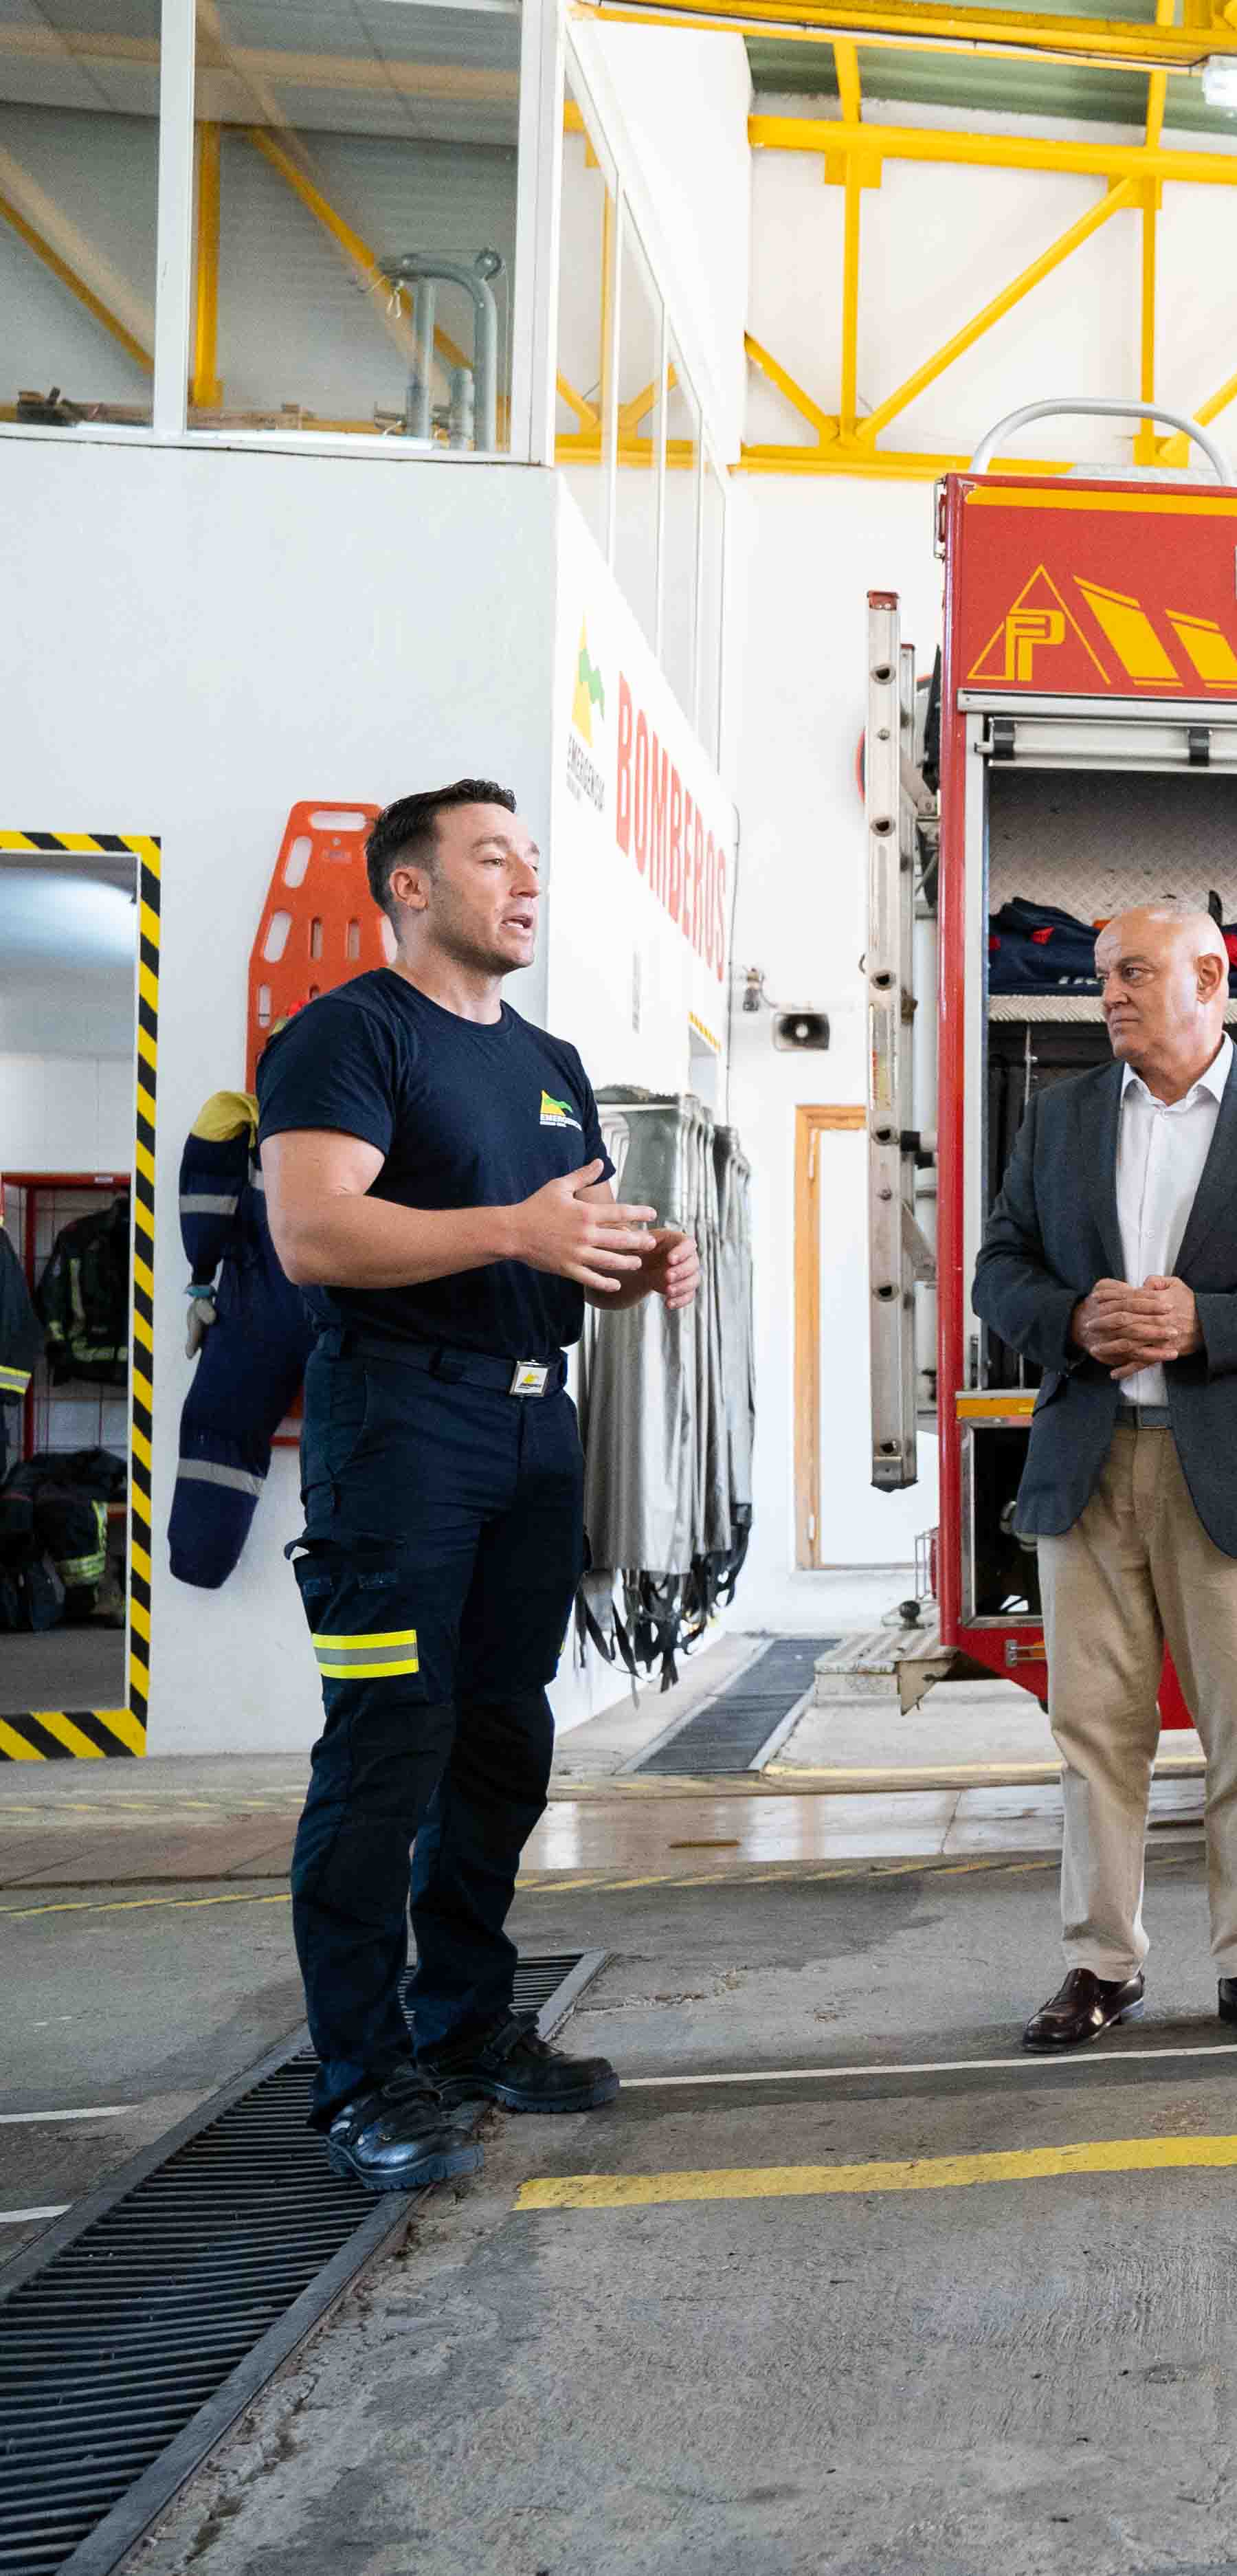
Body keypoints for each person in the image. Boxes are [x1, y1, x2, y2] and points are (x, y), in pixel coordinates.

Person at [259, 779, 696, 2192]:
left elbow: (572, 1243)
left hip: (530, 1433)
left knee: (503, 1744)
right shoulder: (346, 1036)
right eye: (491, 857)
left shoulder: (550, 1061)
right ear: (407, 887)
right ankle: (359, 2078)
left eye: (532, 860)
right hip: (400, 1432)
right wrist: (513, 1226)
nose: (525, 882)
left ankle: (462, 2028)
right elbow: (316, 1231)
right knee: (387, 1742)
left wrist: (647, 1260)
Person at [972, 904, 1237, 2054]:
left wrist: (1210, 1322)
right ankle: (1100, 1967)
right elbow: (997, 1269)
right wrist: (1070, 1317)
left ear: (1211, 977)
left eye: (1135, 973)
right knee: (1094, 1732)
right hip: (1089, 1462)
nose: (1108, 993)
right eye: (1104, 975)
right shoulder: (1058, 1120)